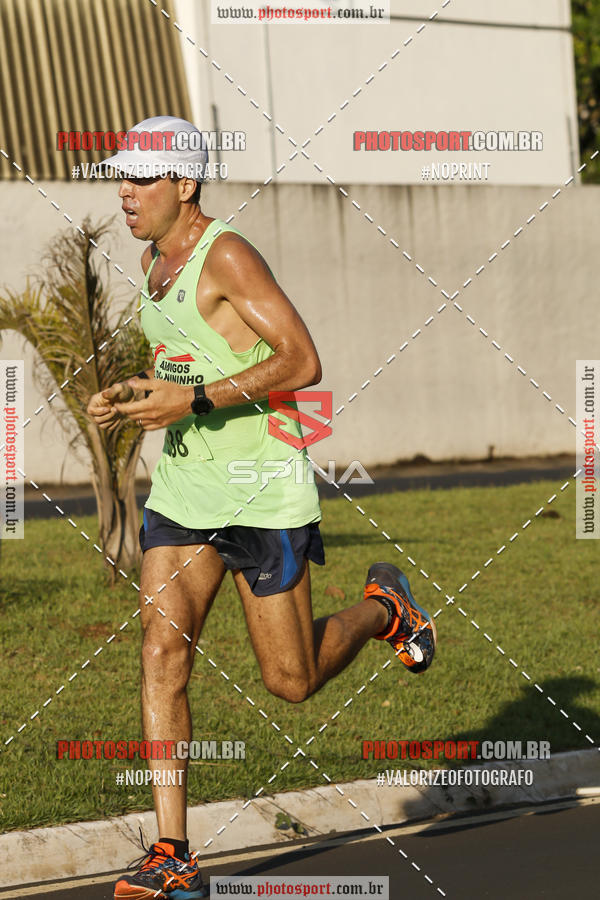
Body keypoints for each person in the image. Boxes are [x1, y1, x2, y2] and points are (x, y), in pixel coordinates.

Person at [87, 116, 437, 900]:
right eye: (121, 177)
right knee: (161, 652)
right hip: (184, 489)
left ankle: (386, 608)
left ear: (185, 183)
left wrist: (193, 400)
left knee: (291, 680)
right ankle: (172, 853)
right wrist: (135, 395)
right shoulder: (151, 262)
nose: (126, 192)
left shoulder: (229, 255)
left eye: (141, 178)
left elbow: (302, 361)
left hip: (260, 489)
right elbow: (186, 359)